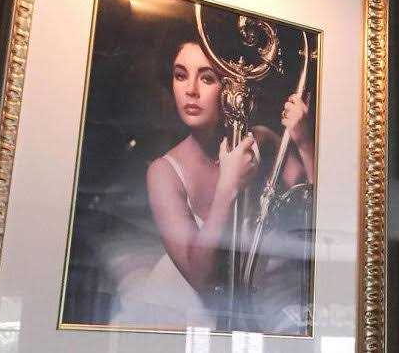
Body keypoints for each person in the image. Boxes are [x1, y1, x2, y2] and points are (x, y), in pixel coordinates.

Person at [111, 31, 315, 331]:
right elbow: (203, 281)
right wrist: (227, 187)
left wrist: (304, 139)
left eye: (207, 78)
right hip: (186, 317)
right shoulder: (163, 172)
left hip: (257, 309)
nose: (190, 90)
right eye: (181, 76)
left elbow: (314, 208)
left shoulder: (260, 141)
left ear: (231, 87)